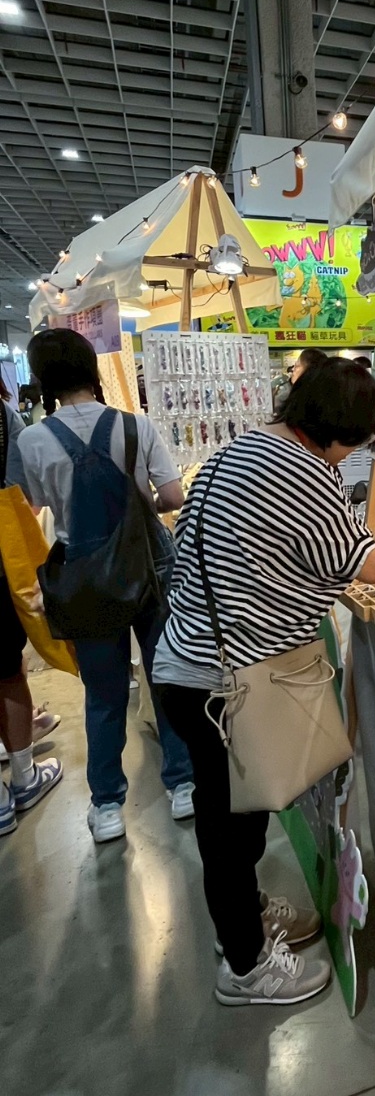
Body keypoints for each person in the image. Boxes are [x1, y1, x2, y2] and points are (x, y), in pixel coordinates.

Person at [153, 359, 375, 1006]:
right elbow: (364, 565)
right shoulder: (305, 473)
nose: (356, 453)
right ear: (338, 430)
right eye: (359, 440)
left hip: (189, 665)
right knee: (231, 828)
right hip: (227, 685)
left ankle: (243, 919)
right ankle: (245, 966)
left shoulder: (243, 448)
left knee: (236, 814)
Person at [11, 329, 193, 843]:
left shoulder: (32, 440)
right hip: (151, 568)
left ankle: (108, 806)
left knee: (104, 695)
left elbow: (41, 505)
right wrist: (139, 505)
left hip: (86, 578)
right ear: (92, 369)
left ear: (42, 378)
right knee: (167, 677)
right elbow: (173, 496)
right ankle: (183, 785)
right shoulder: (136, 425)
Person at [1, 377, 63, 835]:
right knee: (7, 671)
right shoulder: (4, 420)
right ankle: (23, 778)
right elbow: (22, 496)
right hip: (0, 567)